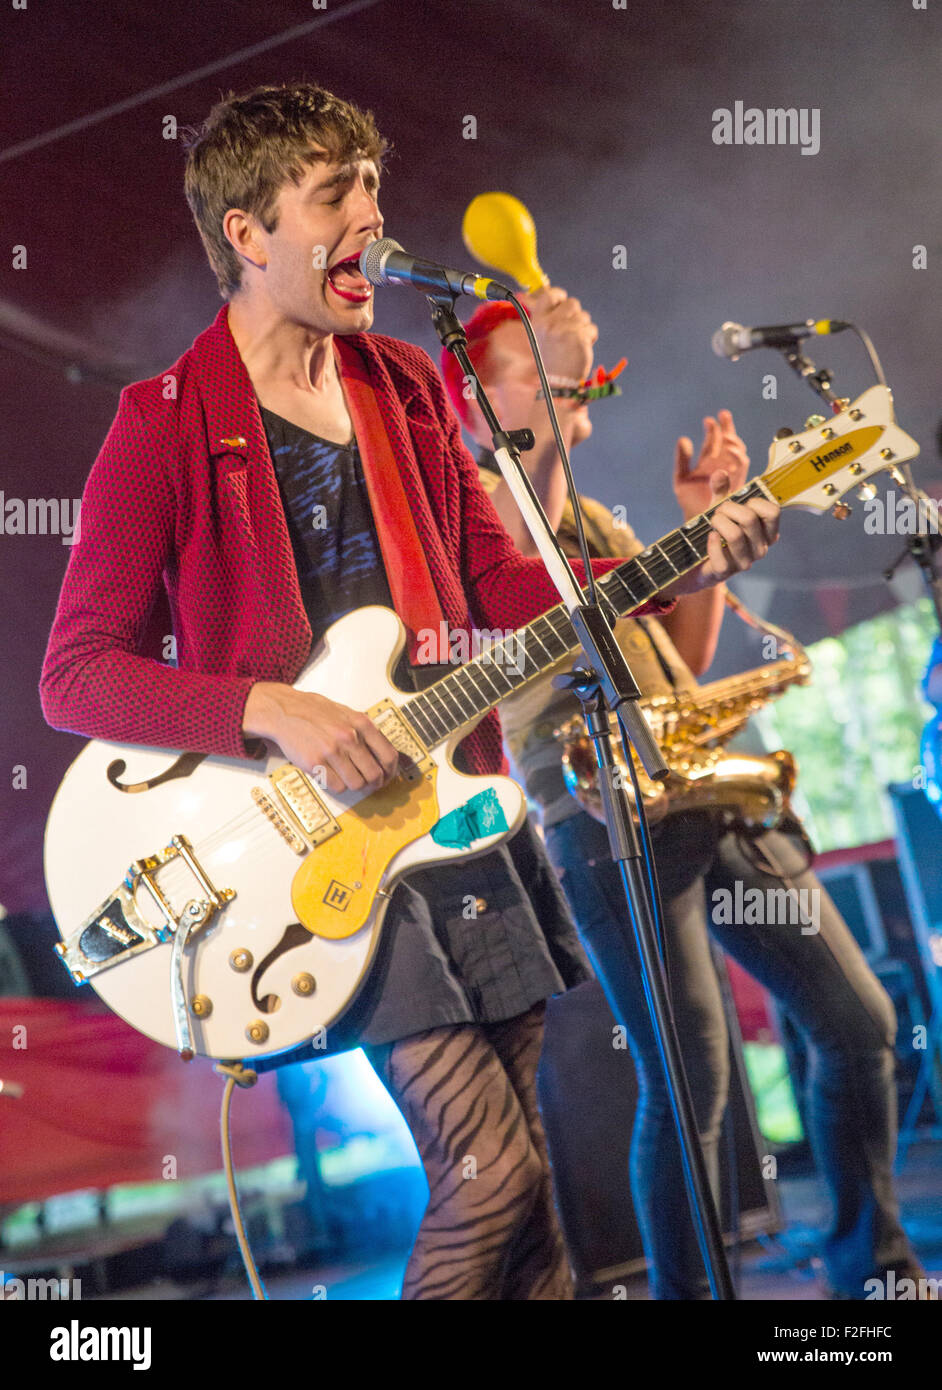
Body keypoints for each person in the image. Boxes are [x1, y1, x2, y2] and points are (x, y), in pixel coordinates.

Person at [39, 82, 780, 1301]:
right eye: (336, 194)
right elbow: (77, 673)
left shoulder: (400, 382)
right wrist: (268, 706)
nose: (372, 219)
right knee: (486, 1181)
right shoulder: (162, 423)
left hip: (456, 815)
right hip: (315, 865)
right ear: (247, 230)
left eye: (374, 186)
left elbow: (497, 582)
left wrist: (673, 564)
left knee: (531, 1181)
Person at [441, 295, 928, 1300]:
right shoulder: (480, 523)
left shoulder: (599, 520)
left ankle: (873, 1269)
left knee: (860, 1020)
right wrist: (554, 351)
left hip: (710, 788)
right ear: (480, 401)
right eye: (530, 366)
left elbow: (689, 660)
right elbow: (520, 513)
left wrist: (707, 521)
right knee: (691, 1081)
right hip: (604, 820)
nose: (564, 374)